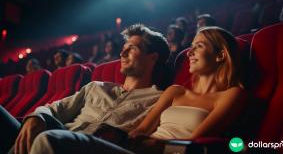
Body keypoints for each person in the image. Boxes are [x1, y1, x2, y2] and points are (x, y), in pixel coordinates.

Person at [27, 26, 247, 154]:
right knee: (42, 134)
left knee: (49, 140)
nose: (189, 52)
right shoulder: (175, 91)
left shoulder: (230, 95)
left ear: (220, 55)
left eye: (198, 46)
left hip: (147, 150)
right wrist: (37, 116)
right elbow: (140, 131)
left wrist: (135, 142)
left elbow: (193, 146)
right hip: (121, 144)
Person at [0, 24, 170, 154]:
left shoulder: (161, 99)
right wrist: (37, 117)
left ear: (153, 57)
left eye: (132, 48)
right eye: (123, 49)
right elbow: (54, 109)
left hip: (90, 147)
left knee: (49, 139)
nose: (122, 54)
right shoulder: (95, 86)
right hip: (59, 135)